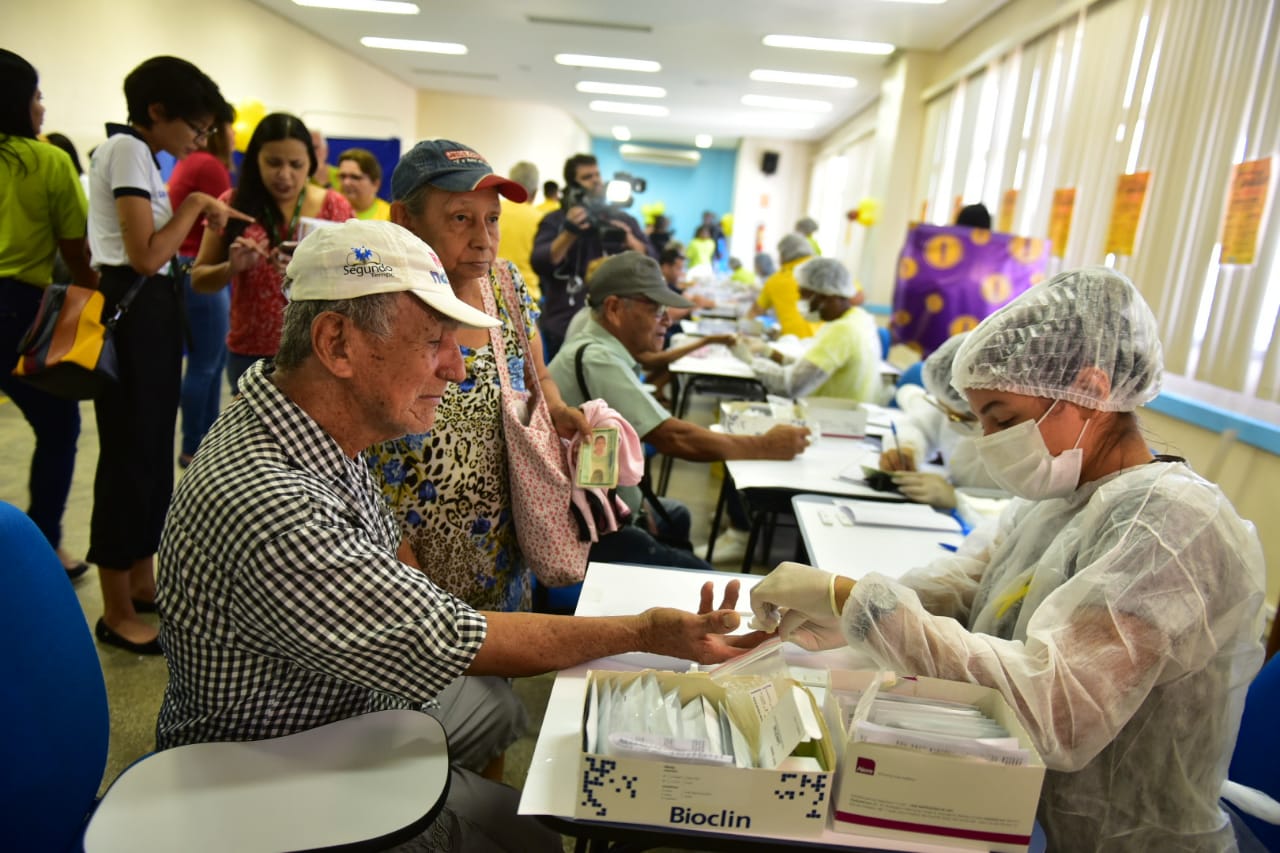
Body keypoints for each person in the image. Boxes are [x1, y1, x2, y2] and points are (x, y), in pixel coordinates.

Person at [155, 219, 756, 851]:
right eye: (435, 341)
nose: (457, 369)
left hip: (334, 703)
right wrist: (645, 633)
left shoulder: (309, 420)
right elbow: (453, 637)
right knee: (528, 833)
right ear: (337, 344)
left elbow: (401, 567)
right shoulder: (271, 504)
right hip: (271, 770)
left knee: (498, 711)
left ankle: (440, 795)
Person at [749, 267, 1266, 850]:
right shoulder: (1061, 502)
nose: (990, 440)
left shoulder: (1169, 524)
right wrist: (844, 612)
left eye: (1004, 418)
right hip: (1014, 808)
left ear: (1092, 391)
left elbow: (1059, 709)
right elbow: (969, 585)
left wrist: (855, 599)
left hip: (1116, 838)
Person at [372, 139, 588, 612]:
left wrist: (556, 411)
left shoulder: (505, 285)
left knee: (498, 675)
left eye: (492, 219)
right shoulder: (378, 304)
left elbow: (538, 375)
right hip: (405, 556)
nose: (483, 238)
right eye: (459, 218)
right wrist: (393, 558)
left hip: (500, 548)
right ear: (405, 220)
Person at [86, 56, 250, 653]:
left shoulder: (140, 155)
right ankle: (115, 607)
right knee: (128, 459)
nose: (197, 140)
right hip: (131, 313)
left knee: (152, 451)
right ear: (157, 112)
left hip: (149, 314)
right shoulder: (127, 151)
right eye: (195, 128)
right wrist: (197, 206)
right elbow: (145, 255)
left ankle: (140, 577)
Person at [548, 252, 811, 568]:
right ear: (615, 308)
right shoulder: (597, 358)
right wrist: (764, 446)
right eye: (656, 310)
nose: (667, 321)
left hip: (606, 507)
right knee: (709, 578)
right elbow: (674, 438)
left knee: (678, 516)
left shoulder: (600, 347)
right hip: (587, 526)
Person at [0, 49, 97, 579]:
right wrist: (91, 295)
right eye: (36, 94)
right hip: (16, 308)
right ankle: (43, 543)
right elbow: (77, 252)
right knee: (58, 428)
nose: (42, 106)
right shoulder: (46, 160)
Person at [192, 113, 352, 392]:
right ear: (256, 160)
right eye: (273, 163)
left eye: (296, 164)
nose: (285, 175)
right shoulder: (233, 204)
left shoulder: (334, 206)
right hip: (251, 352)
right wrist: (232, 267)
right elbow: (199, 279)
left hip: (317, 351)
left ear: (311, 164)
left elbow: (358, 278)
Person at [531, 152, 656, 363]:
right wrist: (570, 232)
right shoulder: (556, 220)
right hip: (564, 322)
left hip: (614, 327)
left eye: (597, 175)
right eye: (587, 177)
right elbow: (541, 261)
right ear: (573, 185)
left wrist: (631, 241)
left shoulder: (622, 219)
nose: (596, 181)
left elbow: (651, 261)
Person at [880, 332, 1008, 528]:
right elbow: (917, 423)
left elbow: (1031, 513)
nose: (950, 421)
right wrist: (907, 447)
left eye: (962, 418)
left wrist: (959, 500)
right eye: (945, 409)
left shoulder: (1025, 437)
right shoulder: (954, 400)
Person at [168, 99, 235, 468]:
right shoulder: (209, 166)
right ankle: (195, 445)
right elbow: (226, 222)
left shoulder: (190, 161)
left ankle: (198, 440)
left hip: (183, 264)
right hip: (198, 265)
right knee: (206, 365)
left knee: (205, 362)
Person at [748, 257, 880, 402]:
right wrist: (769, 352)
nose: (801, 303)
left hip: (829, 417)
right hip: (844, 413)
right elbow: (810, 369)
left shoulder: (842, 331)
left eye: (805, 296)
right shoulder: (859, 318)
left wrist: (748, 360)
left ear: (828, 296)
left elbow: (790, 386)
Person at [750, 232, 815, 338]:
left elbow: (755, 312)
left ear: (783, 255)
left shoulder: (777, 280)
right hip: (828, 343)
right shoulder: (825, 272)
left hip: (793, 344)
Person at [495, 160, 543, 302]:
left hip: (491, 290)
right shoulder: (540, 219)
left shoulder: (494, 212)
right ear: (535, 192)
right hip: (526, 294)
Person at [335, 147, 390, 221]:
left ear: (375, 184)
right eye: (342, 176)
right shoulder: (329, 211)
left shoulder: (389, 217)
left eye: (355, 177)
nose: (346, 183)